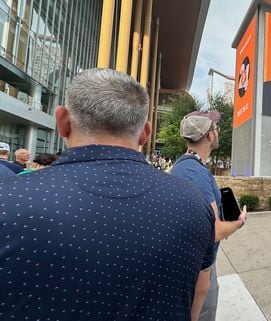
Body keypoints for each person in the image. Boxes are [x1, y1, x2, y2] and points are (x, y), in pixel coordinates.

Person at [0, 69, 215, 321]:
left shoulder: (9, 200)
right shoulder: (192, 203)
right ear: (145, 133)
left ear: (62, 121)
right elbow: (200, 291)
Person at [170, 111, 247, 321]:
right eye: (215, 127)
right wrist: (239, 221)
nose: (218, 131)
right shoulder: (194, 173)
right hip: (198, 269)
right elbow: (213, 231)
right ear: (210, 136)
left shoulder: (187, 167)